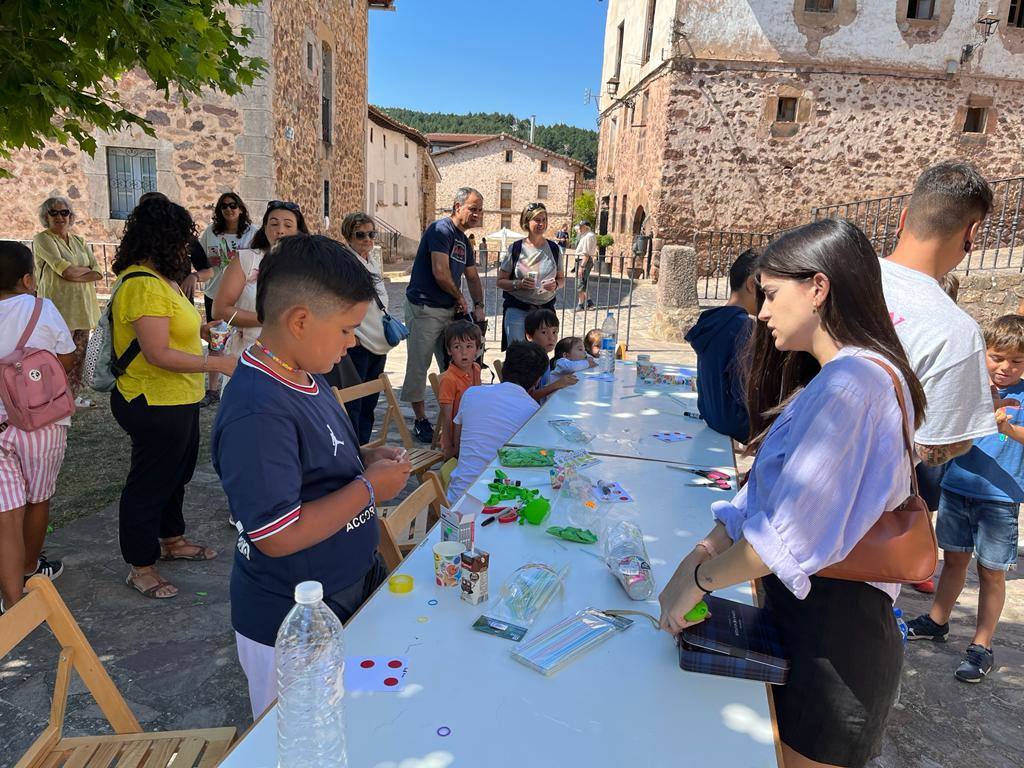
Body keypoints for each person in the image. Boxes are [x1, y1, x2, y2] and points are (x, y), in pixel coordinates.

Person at [658, 219, 927, 768]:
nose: (760, 311)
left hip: (835, 638)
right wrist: (703, 551)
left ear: (818, 288)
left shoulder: (854, 385)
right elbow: (762, 495)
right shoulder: (837, 378)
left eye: (772, 294)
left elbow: (784, 534)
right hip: (809, 618)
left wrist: (699, 581)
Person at [212, 234, 412, 718]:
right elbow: (276, 534)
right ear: (300, 321)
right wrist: (368, 490)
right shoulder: (257, 411)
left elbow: (317, 461)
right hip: (290, 623)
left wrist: (365, 457)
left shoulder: (306, 374)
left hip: (344, 591)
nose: (352, 344)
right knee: (306, 738)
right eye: (347, 329)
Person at [110, 197, 236, 600]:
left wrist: (205, 331)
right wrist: (217, 364)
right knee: (149, 482)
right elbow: (157, 353)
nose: (187, 247)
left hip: (177, 398)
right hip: (150, 399)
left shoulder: (161, 280)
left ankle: (171, 539)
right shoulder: (142, 285)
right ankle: (140, 563)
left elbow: (176, 328)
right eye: (181, 238)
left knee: (176, 473)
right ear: (163, 237)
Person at [880, 161, 997, 594]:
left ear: (904, 217)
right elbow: (932, 449)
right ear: (973, 233)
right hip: (863, 538)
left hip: (773, 509)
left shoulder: (831, 278)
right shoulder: (957, 330)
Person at [905, 315, 1024, 683]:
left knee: (991, 572)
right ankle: (938, 620)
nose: (1004, 368)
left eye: (1016, 361)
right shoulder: (970, 387)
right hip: (957, 486)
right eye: (996, 357)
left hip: (999, 498)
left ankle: (981, 645)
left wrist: (1007, 427)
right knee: (953, 560)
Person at [0, 241, 76, 610]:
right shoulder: (41, 309)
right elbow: (66, 356)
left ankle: (11, 601)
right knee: (38, 498)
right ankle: (31, 569)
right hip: (41, 421)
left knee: (6, 515)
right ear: (28, 279)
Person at [402, 187, 486, 444]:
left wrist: (479, 304)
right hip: (426, 307)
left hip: (448, 311)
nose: (477, 214)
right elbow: (440, 272)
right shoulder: (440, 230)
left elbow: (471, 276)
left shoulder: (464, 240)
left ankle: (454, 417)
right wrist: (460, 297)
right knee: (420, 364)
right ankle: (420, 420)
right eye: (473, 208)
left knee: (454, 365)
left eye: (480, 210)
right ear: (457, 206)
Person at [447, 341, 549, 504]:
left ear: (504, 368)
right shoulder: (532, 411)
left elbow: (459, 446)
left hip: (456, 497)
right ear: (537, 380)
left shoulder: (472, 393)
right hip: (498, 502)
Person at [213, 201, 309, 364]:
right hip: (249, 356)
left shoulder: (307, 267)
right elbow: (220, 310)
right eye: (273, 224)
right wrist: (270, 319)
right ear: (264, 228)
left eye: (288, 225)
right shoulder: (246, 260)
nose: (280, 230)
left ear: (298, 231)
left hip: (293, 358)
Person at [32, 195, 102, 408]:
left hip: (82, 307)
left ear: (71, 216)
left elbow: (98, 272)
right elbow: (65, 269)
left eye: (65, 212)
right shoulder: (42, 239)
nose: (60, 217)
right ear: (46, 216)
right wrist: (82, 271)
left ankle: (72, 395)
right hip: (59, 307)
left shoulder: (79, 241)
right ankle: (53, 397)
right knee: (58, 356)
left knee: (79, 355)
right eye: (54, 212)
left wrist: (76, 273)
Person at [684, 249, 759, 443]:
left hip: (712, 418)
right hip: (738, 424)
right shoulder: (743, 327)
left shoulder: (713, 320)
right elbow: (744, 389)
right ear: (751, 284)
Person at [198, 192, 256, 405]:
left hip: (242, 297)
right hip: (215, 293)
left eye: (233, 205)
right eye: (224, 206)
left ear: (241, 208)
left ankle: (239, 382)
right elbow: (202, 260)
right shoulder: (211, 233)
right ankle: (212, 389)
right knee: (216, 341)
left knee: (243, 339)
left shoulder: (252, 233)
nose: (229, 209)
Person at [340, 212, 392, 445]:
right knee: (354, 403)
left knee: (369, 403)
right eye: (360, 235)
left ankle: (363, 449)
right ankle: (353, 453)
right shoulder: (347, 263)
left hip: (377, 343)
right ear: (348, 236)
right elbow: (340, 302)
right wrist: (352, 335)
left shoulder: (370, 261)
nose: (367, 239)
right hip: (360, 344)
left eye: (372, 234)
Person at [496, 202, 565, 345]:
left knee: (540, 355)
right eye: (537, 220)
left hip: (545, 311)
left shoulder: (554, 249)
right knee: (518, 354)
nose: (541, 224)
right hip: (518, 309)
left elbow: (562, 278)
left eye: (544, 220)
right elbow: (500, 281)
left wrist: (556, 284)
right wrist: (519, 284)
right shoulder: (515, 248)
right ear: (527, 222)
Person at [437, 319, 483, 459]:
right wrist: (450, 446)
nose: (464, 352)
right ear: (449, 350)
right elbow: (446, 417)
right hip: (455, 436)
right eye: (457, 347)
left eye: (469, 346)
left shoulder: (476, 368)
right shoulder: (449, 379)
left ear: (477, 349)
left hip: (472, 429)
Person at [524, 308, 576, 402]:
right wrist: (557, 384)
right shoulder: (531, 361)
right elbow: (527, 396)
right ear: (529, 336)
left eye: (554, 332)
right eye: (544, 332)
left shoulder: (544, 357)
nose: (551, 338)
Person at [575, 220, 598, 310]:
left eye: (581, 226)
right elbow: (576, 229)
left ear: (586, 227)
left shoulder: (589, 236)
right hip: (581, 260)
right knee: (583, 283)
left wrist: (582, 266)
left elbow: (586, 253)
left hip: (583, 261)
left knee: (580, 283)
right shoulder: (585, 235)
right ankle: (589, 303)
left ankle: (582, 304)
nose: (579, 228)